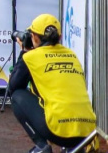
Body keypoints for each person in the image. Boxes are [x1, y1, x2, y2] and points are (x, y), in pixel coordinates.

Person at [8, 14, 96, 152]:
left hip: (58, 131)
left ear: (34, 37)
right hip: (88, 131)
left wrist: (24, 51)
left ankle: (42, 146)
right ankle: (71, 148)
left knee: (17, 96)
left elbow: (13, 87)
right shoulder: (72, 55)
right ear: (60, 37)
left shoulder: (30, 57)